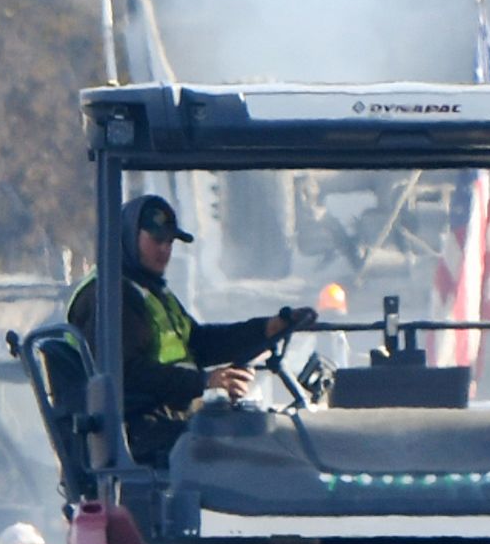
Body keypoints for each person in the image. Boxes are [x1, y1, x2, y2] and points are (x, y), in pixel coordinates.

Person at [62, 194, 319, 460]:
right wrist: (205, 382)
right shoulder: (109, 296)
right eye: (157, 240)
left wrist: (264, 329)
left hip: (167, 420)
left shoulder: (150, 291)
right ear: (127, 237)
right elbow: (124, 374)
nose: (165, 250)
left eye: (170, 242)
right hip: (135, 434)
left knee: (262, 433)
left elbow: (198, 343)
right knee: (254, 454)